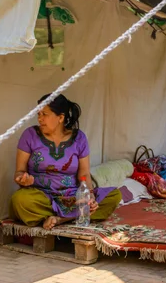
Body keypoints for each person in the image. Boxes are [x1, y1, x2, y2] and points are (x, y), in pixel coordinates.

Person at [11, 94, 122, 230]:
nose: (40, 119)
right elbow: (19, 172)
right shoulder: (29, 135)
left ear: (61, 117)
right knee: (19, 200)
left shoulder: (79, 138)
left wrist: (90, 196)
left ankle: (59, 220)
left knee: (114, 195)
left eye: (44, 114)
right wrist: (22, 179)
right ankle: (75, 216)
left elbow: (84, 174)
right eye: (38, 114)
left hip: (73, 198)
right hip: (41, 197)